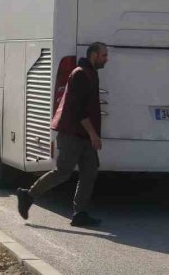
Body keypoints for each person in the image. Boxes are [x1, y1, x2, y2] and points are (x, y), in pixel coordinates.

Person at [17, 42, 109, 228]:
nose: (106, 59)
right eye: (103, 55)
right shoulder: (80, 74)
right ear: (93, 55)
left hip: (83, 135)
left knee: (90, 171)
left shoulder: (91, 73)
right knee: (63, 172)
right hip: (72, 134)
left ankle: (80, 213)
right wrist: (93, 134)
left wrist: (91, 134)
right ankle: (28, 195)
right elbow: (78, 111)